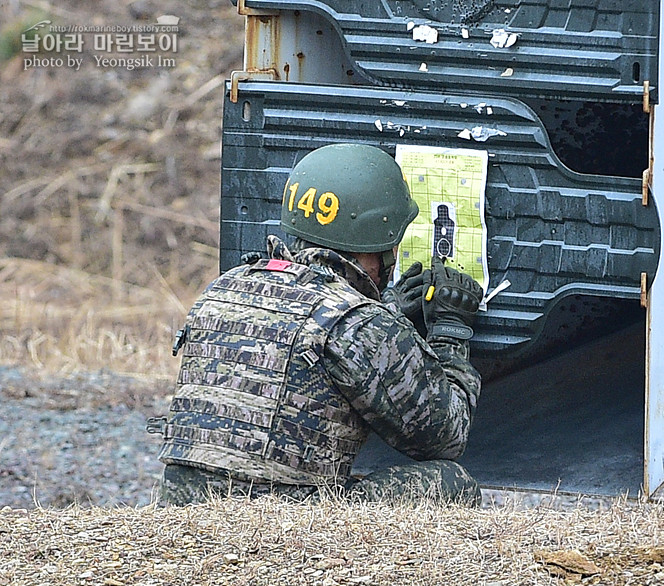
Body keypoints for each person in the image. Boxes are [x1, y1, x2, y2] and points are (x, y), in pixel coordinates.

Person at [148, 143, 484, 506]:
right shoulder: (358, 324)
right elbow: (445, 436)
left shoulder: (224, 287)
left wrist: (387, 315)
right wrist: (452, 329)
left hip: (182, 503)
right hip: (280, 518)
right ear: (378, 244)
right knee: (452, 483)